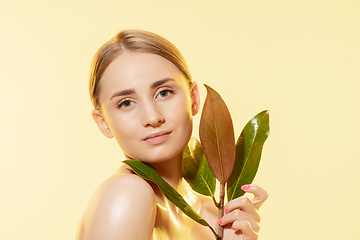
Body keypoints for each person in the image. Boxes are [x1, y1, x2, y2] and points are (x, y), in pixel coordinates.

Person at [76, 29, 268, 240]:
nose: (152, 117)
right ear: (103, 123)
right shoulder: (127, 194)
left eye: (164, 92)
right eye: (126, 103)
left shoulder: (213, 214)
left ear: (193, 99)